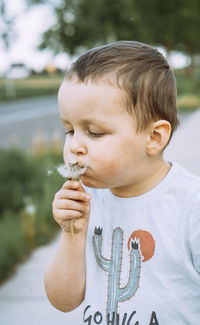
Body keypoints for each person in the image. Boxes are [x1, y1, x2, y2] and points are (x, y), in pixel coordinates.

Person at [44, 41, 200, 324]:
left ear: (154, 138)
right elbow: (62, 301)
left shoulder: (191, 207)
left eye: (94, 132)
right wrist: (72, 236)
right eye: (69, 130)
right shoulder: (86, 201)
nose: (75, 146)